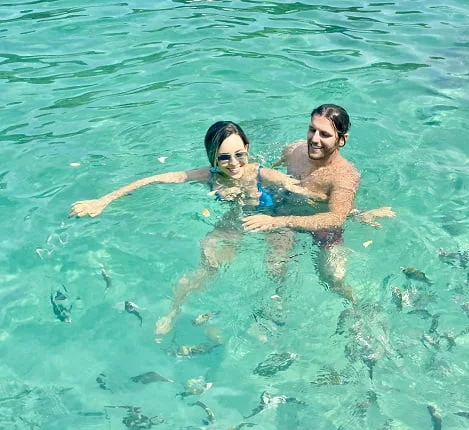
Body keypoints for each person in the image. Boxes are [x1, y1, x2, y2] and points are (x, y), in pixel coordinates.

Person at [69, 119, 392, 336]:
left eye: (240, 154)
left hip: (273, 221)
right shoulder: (208, 176)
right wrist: (104, 200)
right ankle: (173, 309)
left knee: (276, 267)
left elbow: (312, 198)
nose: (234, 164)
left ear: (248, 150)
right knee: (207, 263)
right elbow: (156, 178)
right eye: (224, 158)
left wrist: (358, 213)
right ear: (213, 158)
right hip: (237, 222)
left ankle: (285, 310)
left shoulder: (262, 174)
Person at [242, 104, 392, 303]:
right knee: (275, 266)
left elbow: (335, 219)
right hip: (285, 209)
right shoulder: (294, 151)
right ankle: (277, 306)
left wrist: (277, 222)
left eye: (324, 134)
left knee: (333, 277)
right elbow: (268, 173)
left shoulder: (345, 177)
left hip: (322, 224)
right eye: (312, 130)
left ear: (342, 139)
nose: (314, 139)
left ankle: (358, 307)